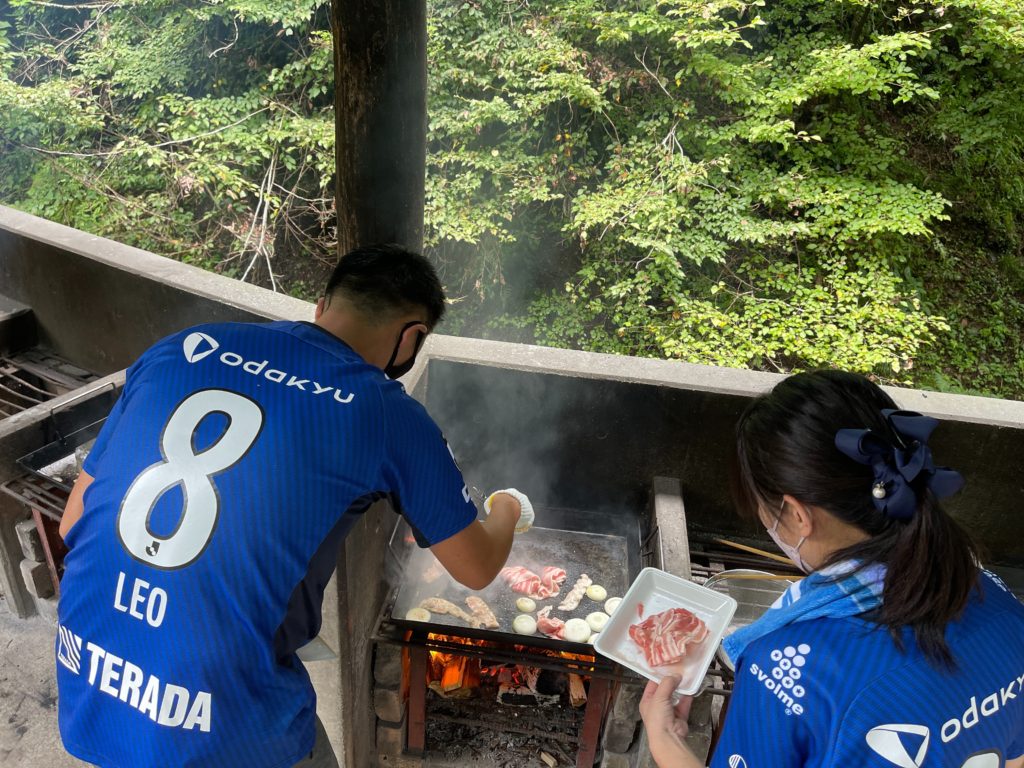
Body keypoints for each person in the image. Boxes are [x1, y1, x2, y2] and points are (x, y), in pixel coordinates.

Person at [54, 244, 533, 768]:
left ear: (322, 304)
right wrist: (508, 506)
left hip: (88, 679)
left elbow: (72, 521)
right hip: (222, 723)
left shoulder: (182, 346)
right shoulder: (388, 414)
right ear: (411, 338)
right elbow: (476, 567)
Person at [640, 370, 1024, 768]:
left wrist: (665, 742)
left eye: (759, 507)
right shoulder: (998, 600)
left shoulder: (787, 671)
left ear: (796, 514)